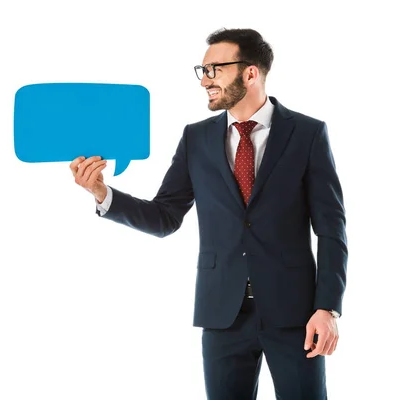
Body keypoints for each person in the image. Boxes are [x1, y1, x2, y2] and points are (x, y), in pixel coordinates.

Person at [69, 28, 347, 400]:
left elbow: (331, 230)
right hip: (222, 314)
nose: (205, 81)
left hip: (296, 315)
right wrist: (103, 194)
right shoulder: (196, 138)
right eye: (202, 71)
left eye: (214, 69)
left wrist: (327, 308)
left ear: (250, 73)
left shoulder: (308, 134)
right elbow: (166, 216)